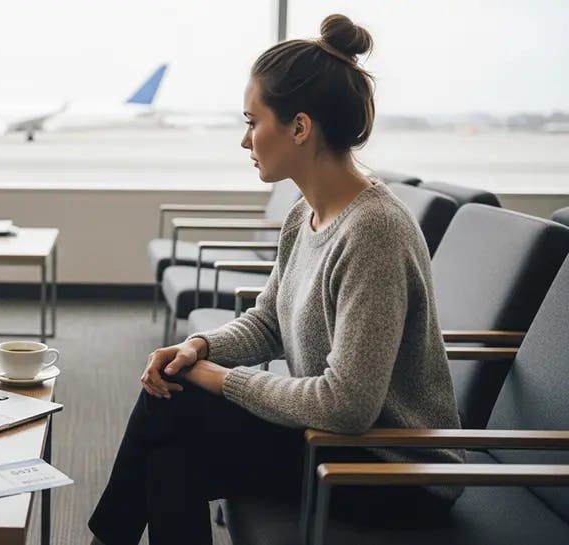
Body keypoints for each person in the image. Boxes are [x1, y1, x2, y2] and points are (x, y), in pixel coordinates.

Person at [88, 13, 464, 545]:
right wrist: (198, 346)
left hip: (393, 470)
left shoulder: (375, 230)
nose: (245, 140)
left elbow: (347, 405)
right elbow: (268, 322)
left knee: (171, 408)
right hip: (331, 441)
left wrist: (216, 378)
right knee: (171, 452)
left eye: (251, 120)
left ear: (300, 127)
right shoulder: (305, 216)